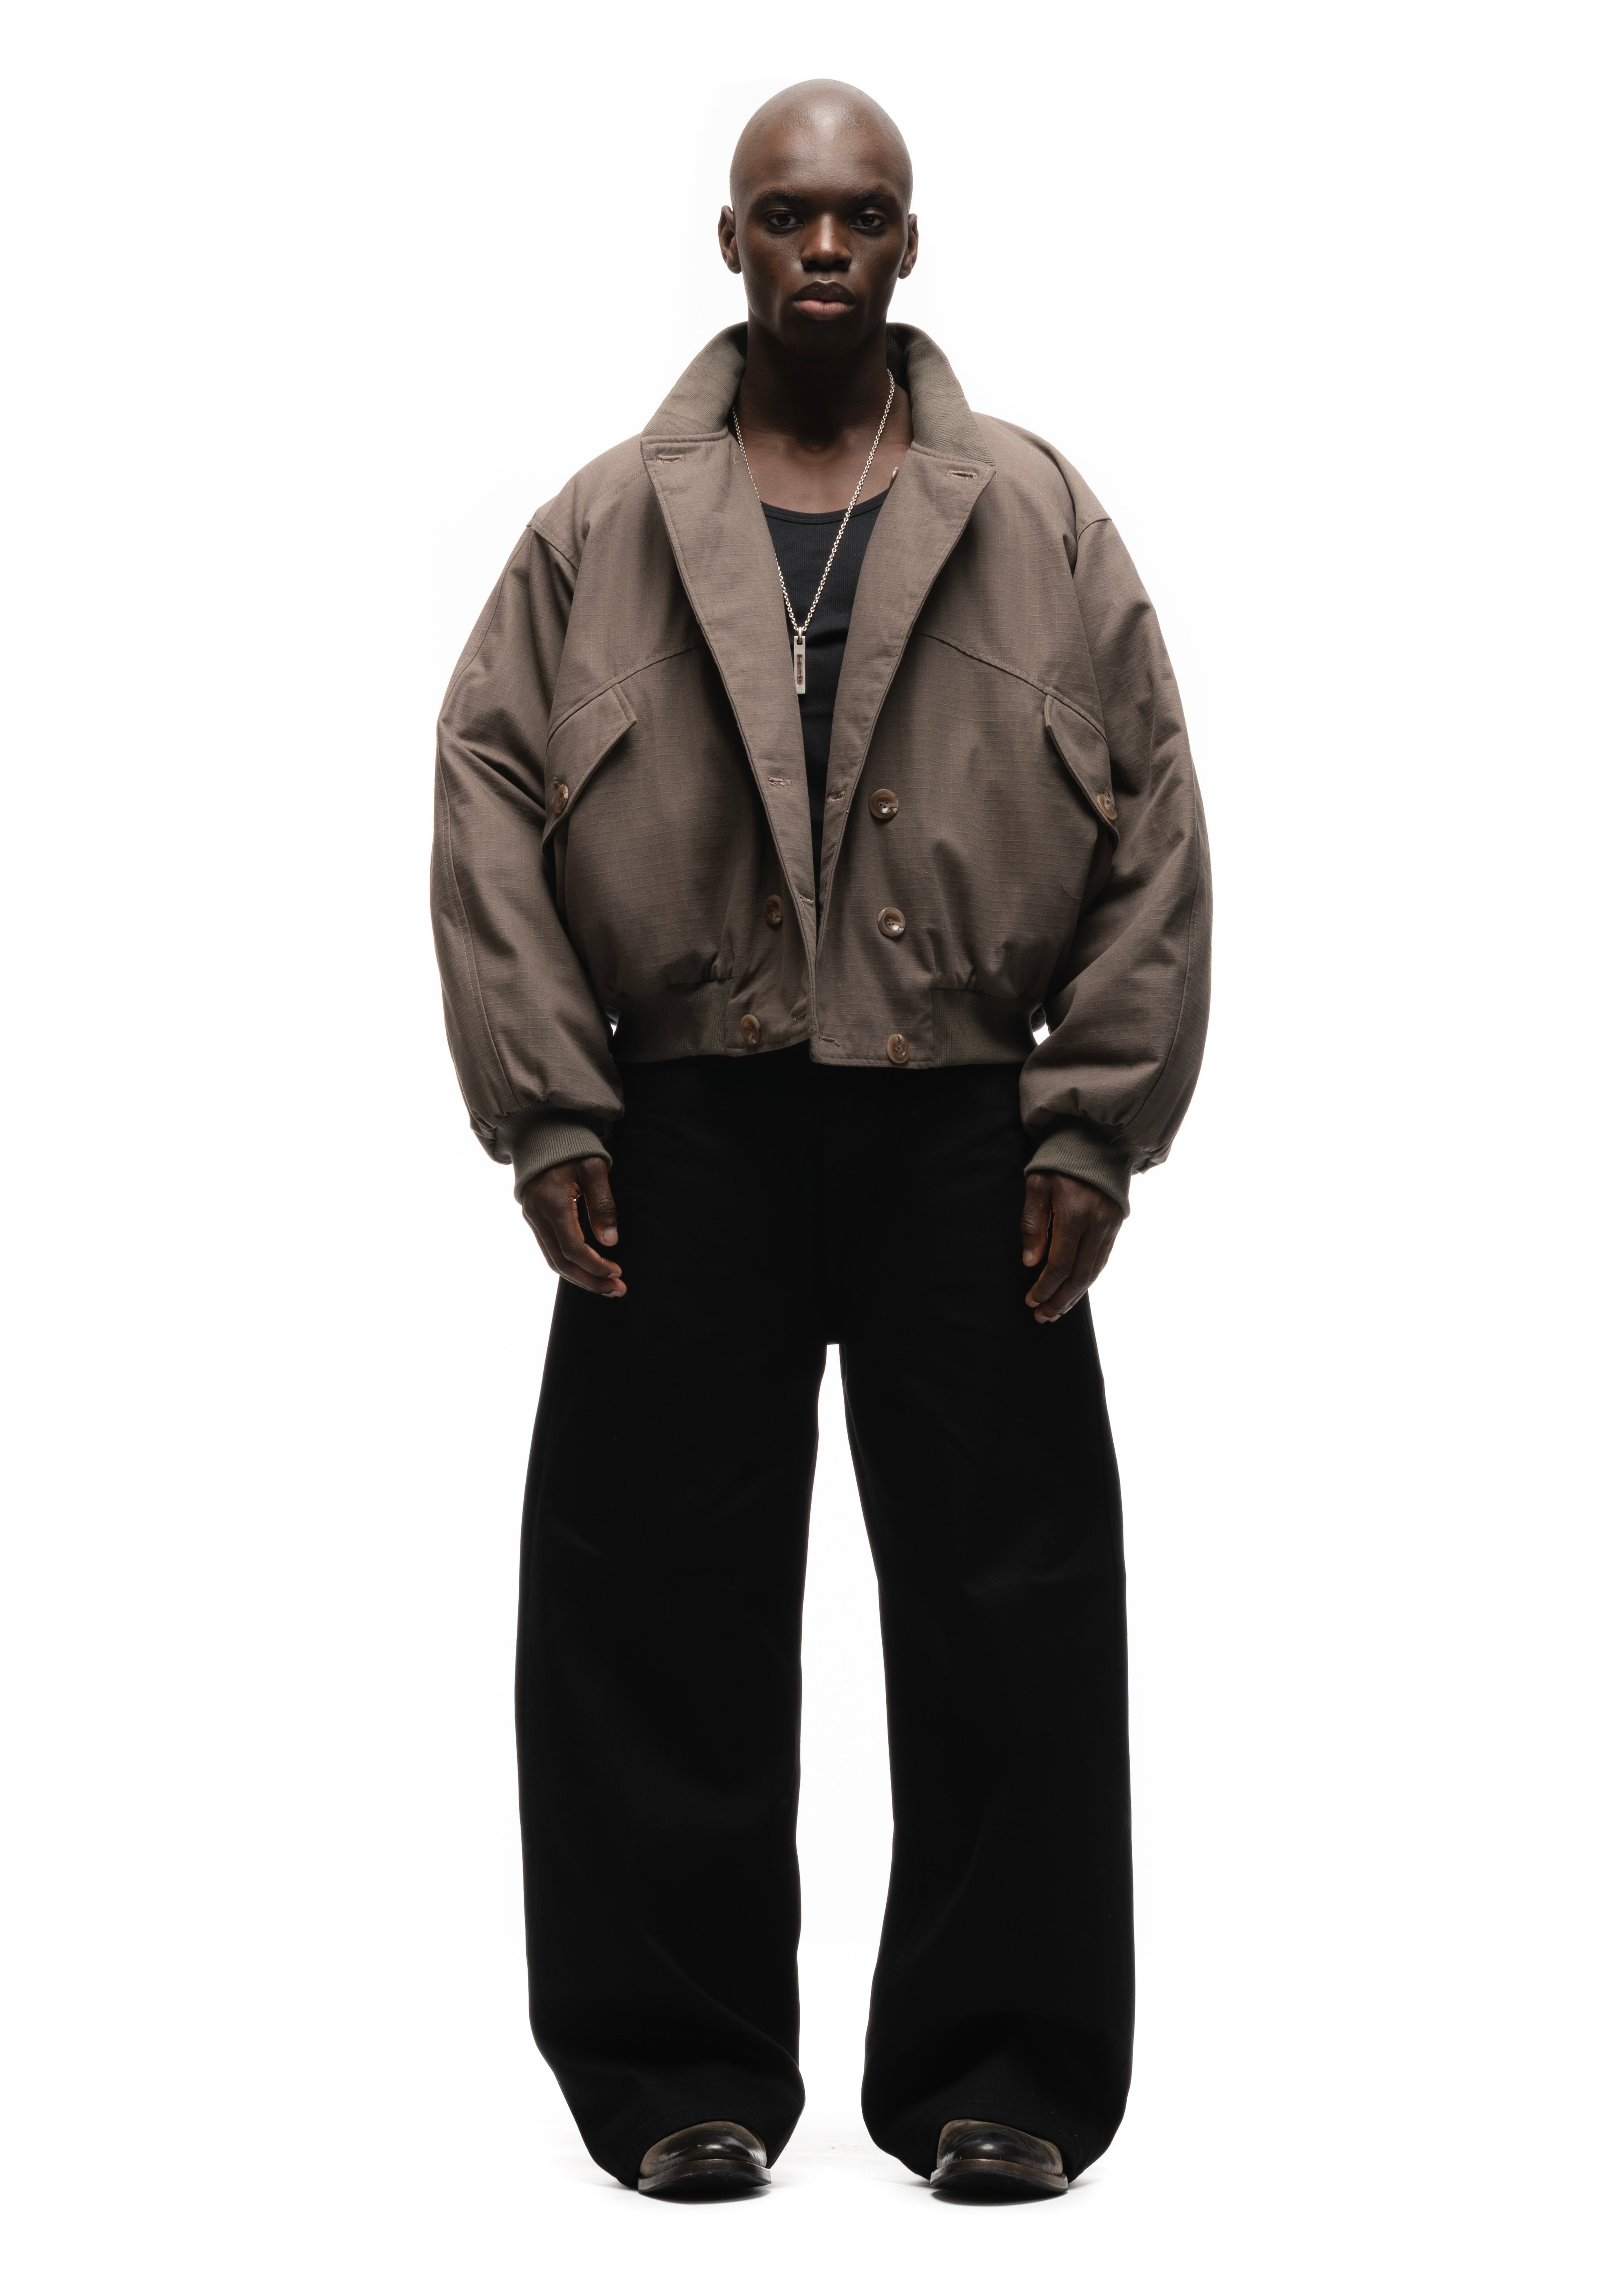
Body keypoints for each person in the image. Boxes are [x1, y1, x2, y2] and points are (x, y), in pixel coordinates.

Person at [431, 79, 1210, 2202]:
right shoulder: (602, 525)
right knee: (651, 1594)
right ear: (730, 240)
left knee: (1009, 1596)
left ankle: (1004, 2070)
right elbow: (487, 785)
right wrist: (549, 1102)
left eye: (863, 214)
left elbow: (1153, 807)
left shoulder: (1034, 512)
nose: (828, 249)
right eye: (789, 215)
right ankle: (676, 2069)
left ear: (913, 240)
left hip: (968, 1123)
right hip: (684, 1123)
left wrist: (1093, 1123)